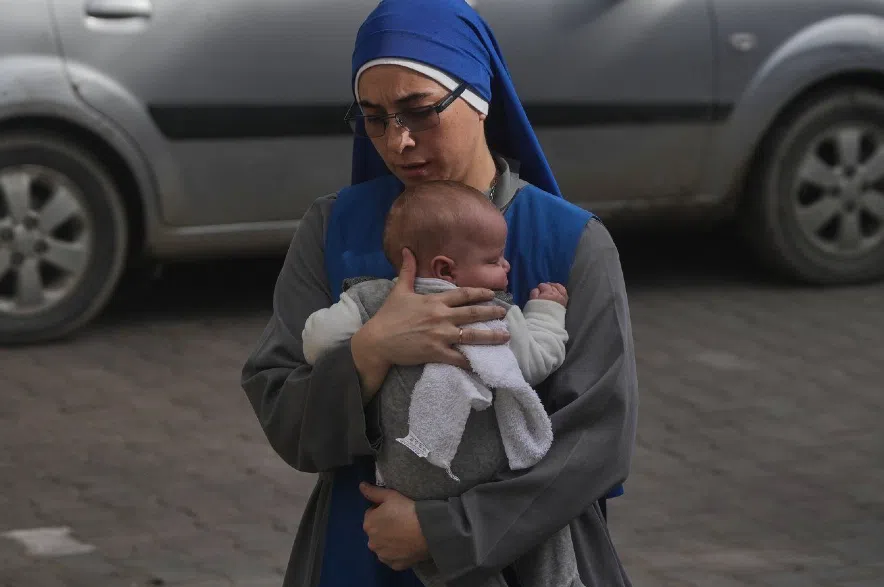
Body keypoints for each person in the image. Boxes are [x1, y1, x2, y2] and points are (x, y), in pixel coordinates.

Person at [240, 0, 639, 586]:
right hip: (366, 546)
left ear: (479, 99)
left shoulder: (571, 243)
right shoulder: (333, 230)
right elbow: (282, 408)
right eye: (373, 117)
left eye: (419, 111)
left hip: (522, 553)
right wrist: (370, 352)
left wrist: (444, 530)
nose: (396, 141)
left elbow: (596, 439)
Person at [299, 180, 580, 587]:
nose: (507, 268)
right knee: (549, 536)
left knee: (448, 570)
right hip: (490, 478)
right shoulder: (492, 311)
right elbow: (538, 360)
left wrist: (371, 335)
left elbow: (315, 343)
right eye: (494, 259)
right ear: (447, 269)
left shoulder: (372, 299)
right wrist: (547, 310)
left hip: (412, 482)